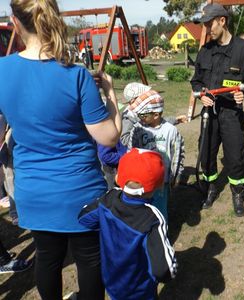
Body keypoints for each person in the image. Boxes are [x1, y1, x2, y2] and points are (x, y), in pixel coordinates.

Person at [0, 0, 121, 299]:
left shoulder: (2, 71)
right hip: (80, 193)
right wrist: (110, 93)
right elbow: (108, 137)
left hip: (34, 193)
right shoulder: (75, 75)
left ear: (15, 22)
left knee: (47, 258)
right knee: (90, 260)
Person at [190, 3, 244, 217]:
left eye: (209, 24)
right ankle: (210, 189)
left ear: (222, 21)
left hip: (231, 113)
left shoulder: (243, 49)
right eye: (204, 25)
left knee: (234, 156)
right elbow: (196, 81)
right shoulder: (205, 51)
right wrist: (201, 93)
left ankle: (238, 194)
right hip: (209, 114)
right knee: (206, 154)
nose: (207, 29)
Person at [78, 148, 177, 300]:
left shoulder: (108, 199)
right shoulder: (152, 218)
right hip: (140, 290)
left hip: (112, 282)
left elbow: (84, 218)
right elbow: (164, 269)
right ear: (158, 185)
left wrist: (106, 224)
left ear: (118, 177)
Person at [123, 90, 185, 221]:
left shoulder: (171, 130)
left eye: (143, 115)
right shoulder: (138, 129)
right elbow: (131, 153)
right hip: (142, 181)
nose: (139, 117)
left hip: (162, 182)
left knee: (160, 210)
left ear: (156, 115)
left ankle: (160, 236)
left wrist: (176, 176)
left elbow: (177, 154)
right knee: (142, 210)